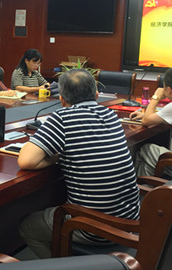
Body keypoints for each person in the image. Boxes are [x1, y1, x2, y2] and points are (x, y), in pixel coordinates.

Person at [17, 68, 140, 259]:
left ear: (62, 100)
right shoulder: (111, 116)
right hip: (129, 221)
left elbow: (26, 161)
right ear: (96, 95)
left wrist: (58, 156)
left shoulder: (62, 118)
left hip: (92, 229)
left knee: (28, 227)